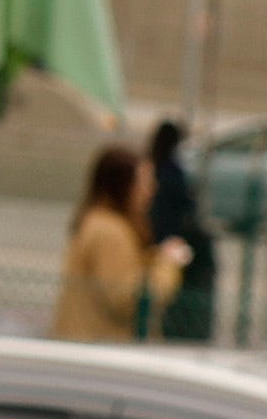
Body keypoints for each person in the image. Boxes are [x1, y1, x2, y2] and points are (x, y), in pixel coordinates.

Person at [52, 142, 185, 342]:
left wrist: (152, 259)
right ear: (122, 185)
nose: (151, 190)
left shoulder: (101, 223)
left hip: (92, 343)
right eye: (143, 183)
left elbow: (121, 275)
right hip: (100, 346)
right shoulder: (109, 232)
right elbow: (128, 300)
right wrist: (167, 263)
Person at [144, 115, 221, 344]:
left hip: (159, 238)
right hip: (173, 243)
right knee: (170, 292)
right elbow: (185, 208)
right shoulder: (171, 172)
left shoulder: (153, 166)